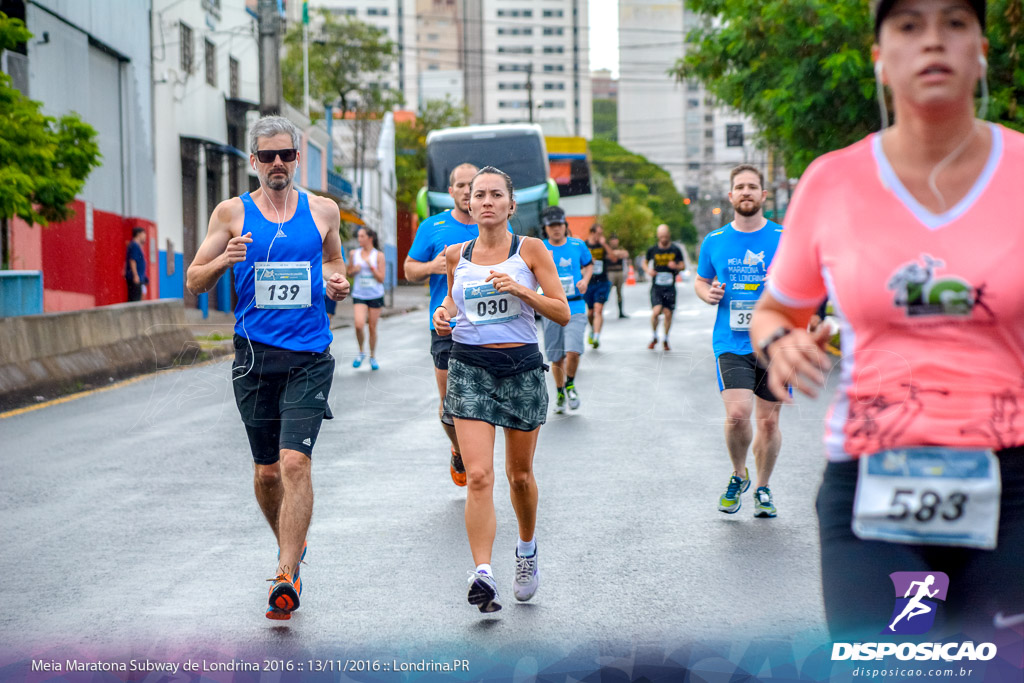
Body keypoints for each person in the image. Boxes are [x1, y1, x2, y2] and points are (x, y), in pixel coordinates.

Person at [750, 0, 1024, 640]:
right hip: (874, 489)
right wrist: (782, 342)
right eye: (908, 25)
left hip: (1013, 487)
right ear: (880, 58)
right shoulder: (833, 182)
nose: (933, 41)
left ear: (981, 49)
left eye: (955, 23)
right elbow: (775, 310)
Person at [185, 115, 350, 620]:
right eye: (267, 156)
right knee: (266, 472)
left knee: (295, 462)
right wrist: (225, 260)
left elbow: (334, 264)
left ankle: (286, 572)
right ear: (252, 161)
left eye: (286, 155)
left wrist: (336, 282)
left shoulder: (324, 211)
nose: (278, 164)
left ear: (297, 158)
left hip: (309, 356)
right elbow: (194, 280)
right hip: (254, 355)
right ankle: (291, 545)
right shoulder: (230, 213)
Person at [432, 166, 569, 612]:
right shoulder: (456, 254)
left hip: (522, 368)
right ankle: (484, 573)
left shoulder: (531, 250)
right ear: (468, 205)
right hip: (470, 367)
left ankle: (526, 550)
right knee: (478, 475)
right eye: (479, 195)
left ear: (511, 205)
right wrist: (443, 312)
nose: (487, 201)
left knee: (520, 476)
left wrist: (522, 292)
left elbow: (562, 312)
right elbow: (454, 300)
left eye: (496, 195)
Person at [695, 164, 785, 518]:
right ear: (731, 196)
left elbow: (807, 281)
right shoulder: (714, 241)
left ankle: (763, 487)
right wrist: (709, 293)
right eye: (739, 187)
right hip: (731, 341)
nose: (746, 192)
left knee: (769, 422)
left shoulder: (784, 237)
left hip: (777, 341)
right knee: (737, 415)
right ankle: (739, 473)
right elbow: (702, 280)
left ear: (763, 195)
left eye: (752, 186)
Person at [404, 162, 479, 486]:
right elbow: (408, 269)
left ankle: (478, 462)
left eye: (472, 185)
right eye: (460, 185)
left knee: (479, 399)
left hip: (487, 327)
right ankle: (459, 449)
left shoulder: (492, 226)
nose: (466, 191)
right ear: (451, 192)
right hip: (446, 324)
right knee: (450, 405)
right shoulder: (432, 226)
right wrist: (431, 266)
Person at [539, 206, 592, 413]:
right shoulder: (540, 247)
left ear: (565, 225)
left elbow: (589, 265)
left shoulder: (578, 245)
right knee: (556, 355)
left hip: (575, 304)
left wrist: (586, 280)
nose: (556, 229)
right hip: (551, 306)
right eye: (552, 226)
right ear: (546, 228)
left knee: (573, 350)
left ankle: (570, 384)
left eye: (559, 225)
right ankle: (560, 390)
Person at [348, 227, 386, 370]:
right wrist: (354, 270)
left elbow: (382, 278)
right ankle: (361, 352)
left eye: (362, 236)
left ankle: (372, 356)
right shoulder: (354, 254)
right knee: (358, 325)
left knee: (372, 327)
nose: (359, 239)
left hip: (375, 295)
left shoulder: (378, 256)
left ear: (370, 238)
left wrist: (372, 267)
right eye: (358, 236)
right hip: (359, 295)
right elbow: (349, 273)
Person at [644, 224, 686, 351]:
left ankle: (666, 338)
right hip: (657, 287)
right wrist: (648, 270)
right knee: (656, 312)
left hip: (670, 287)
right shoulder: (653, 250)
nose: (663, 239)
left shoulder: (675, 249)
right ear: (658, 236)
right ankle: (654, 336)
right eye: (661, 236)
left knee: (668, 314)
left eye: (665, 236)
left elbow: (683, 265)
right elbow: (644, 262)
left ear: (669, 235)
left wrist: (676, 266)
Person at [583, 223, 612, 348]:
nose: (599, 236)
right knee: (590, 313)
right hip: (589, 283)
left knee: (598, 309)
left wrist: (604, 244)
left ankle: (596, 337)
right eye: (598, 233)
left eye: (601, 234)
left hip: (602, 282)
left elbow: (613, 258)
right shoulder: (585, 245)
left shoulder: (603, 246)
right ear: (592, 232)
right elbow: (579, 262)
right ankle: (593, 329)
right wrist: (589, 263)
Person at [606, 234, 630, 318]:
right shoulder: (607, 249)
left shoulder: (620, 248)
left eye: (615, 240)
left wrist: (615, 254)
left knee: (619, 293)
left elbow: (625, 254)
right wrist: (615, 254)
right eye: (612, 240)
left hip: (619, 272)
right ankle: (600, 309)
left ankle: (620, 312)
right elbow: (612, 255)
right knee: (606, 292)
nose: (614, 241)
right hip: (610, 272)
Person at [323, 242, 346, 327]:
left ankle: (325, 337)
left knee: (327, 320)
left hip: (330, 290)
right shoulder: (310, 243)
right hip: (315, 290)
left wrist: (341, 282)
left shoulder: (336, 245)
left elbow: (341, 263)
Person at [125, 227, 148, 302]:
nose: (145, 236)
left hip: (138, 278)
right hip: (135, 279)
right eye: (143, 234)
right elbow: (132, 260)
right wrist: (135, 275)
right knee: (135, 300)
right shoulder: (134, 246)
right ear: (138, 234)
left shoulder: (136, 246)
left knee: (137, 298)